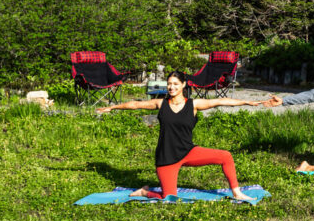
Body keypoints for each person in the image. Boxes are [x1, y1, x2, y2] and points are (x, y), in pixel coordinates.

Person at [97, 71, 269, 201]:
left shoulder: (194, 105)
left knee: (225, 156)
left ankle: (237, 193)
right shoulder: (160, 103)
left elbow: (220, 101)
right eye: (169, 84)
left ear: (183, 85)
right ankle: (144, 192)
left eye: (175, 84)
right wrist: (112, 107)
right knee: (169, 198)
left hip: (188, 151)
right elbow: (135, 104)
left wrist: (249, 102)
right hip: (167, 157)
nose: (171, 87)